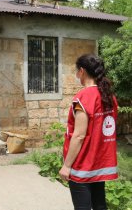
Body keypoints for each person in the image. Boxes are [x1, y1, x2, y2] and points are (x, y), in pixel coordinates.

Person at [59, 54, 118, 210]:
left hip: (83, 165)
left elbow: (79, 135)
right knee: (100, 205)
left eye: (77, 71)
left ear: (82, 71)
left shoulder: (81, 99)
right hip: (100, 163)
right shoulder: (109, 96)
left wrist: (66, 165)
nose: (77, 74)